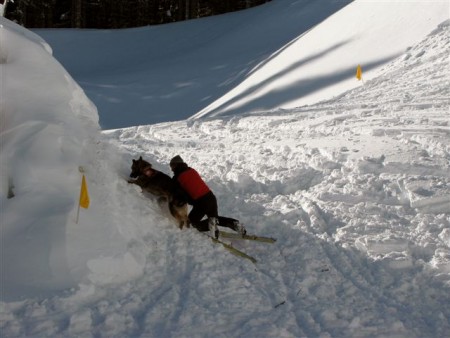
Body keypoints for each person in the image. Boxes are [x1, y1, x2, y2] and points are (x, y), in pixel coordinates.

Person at [170, 155, 246, 239]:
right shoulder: (191, 170)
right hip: (210, 197)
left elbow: (176, 191)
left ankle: (211, 224)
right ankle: (235, 224)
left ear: (176, 165)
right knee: (215, 219)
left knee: (191, 223)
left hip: (201, 202)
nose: (171, 169)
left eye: (172, 166)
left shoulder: (177, 178)